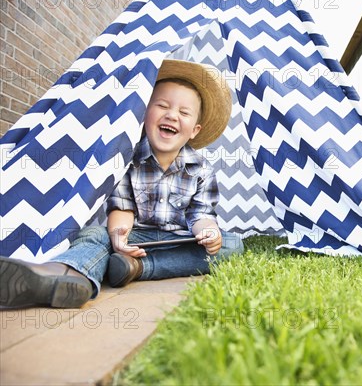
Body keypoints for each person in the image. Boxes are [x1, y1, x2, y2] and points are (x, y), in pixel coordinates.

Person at [0, 59, 243, 308]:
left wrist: (208, 232)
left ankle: (137, 268)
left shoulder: (201, 169)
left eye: (183, 112)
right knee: (95, 234)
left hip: (179, 240)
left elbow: (201, 214)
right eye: (162, 106)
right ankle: (64, 274)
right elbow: (122, 207)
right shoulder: (127, 157)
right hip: (135, 236)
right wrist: (120, 238)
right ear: (145, 113)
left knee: (232, 244)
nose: (171, 115)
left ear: (194, 130)